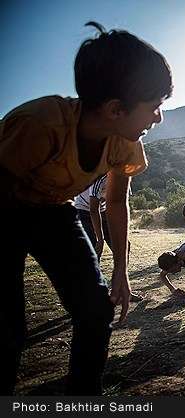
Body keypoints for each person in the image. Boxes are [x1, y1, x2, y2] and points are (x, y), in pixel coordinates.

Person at [0, 21, 172, 395]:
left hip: (54, 211)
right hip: (6, 210)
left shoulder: (125, 143)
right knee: (9, 329)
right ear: (115, 109)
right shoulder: (38, 125)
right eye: (154, 107)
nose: (158, 118)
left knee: (96, 310)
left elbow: (115, 199)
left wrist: (122, 271)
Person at [74, 175, 143, 302]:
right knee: (93, 251)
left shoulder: (124, 177)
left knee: (124, 248)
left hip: (104, 210)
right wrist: (100, 240)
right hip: (84, 211)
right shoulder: (100, 177)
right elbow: (93, 210)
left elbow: (121, 206)